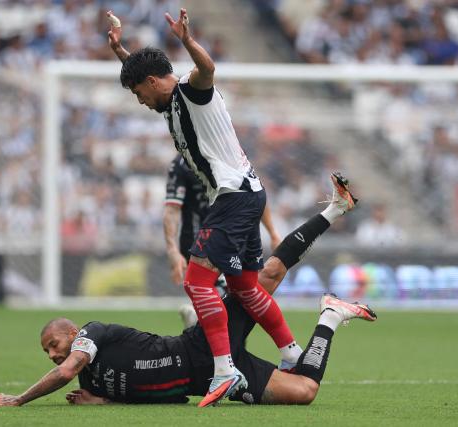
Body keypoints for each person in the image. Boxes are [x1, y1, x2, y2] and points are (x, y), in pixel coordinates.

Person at [0, 177, 376, 407]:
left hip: (203, 345)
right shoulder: (93, 387)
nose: (53, 353)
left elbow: (66, 371)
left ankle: (335, 210)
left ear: (72, 332)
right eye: (47, 352)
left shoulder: (92, 334)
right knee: (305, 392)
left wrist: (18, 400)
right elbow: (155, 393)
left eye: (53, 343)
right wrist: (106, 402)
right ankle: (331, 315)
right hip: (209, 382)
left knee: (269, 273)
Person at [105, 9, 335, 406]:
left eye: (139, 91)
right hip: (245, 193)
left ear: (154, 82)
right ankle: (292, 353)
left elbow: (207, 69)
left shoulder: (191, 92)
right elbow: (145, 76)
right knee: (246, 287)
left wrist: (187, 41)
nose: (140, 101)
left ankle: (225, 369)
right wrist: (120, 51)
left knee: (197, 283)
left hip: (233, 197)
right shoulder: (166, 101)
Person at [163, 154, 281, 287]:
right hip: (198, 241)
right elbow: (172, 209)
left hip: (234, 236)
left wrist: (272, 233)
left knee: (245, 291)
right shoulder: (181, 165)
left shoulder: (229, 153)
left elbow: (253, 190)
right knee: (208, 288)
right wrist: (172, 249)